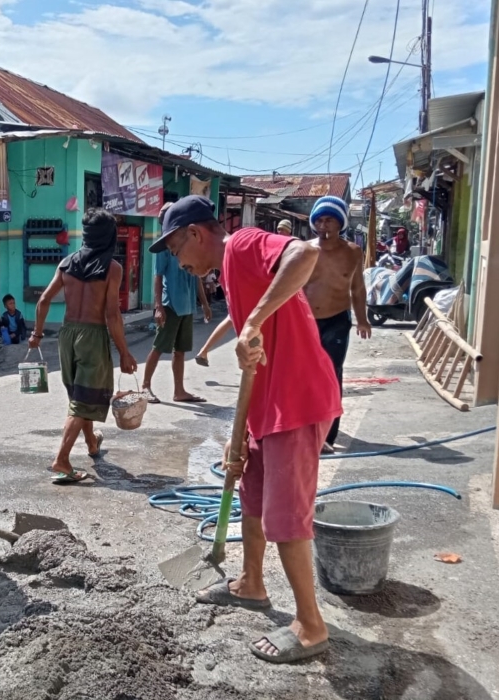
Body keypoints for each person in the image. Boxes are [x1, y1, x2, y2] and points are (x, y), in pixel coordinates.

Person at [151, 195, 341, 664]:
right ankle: (251, 583)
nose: (178, 262)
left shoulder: (240, 244)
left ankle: (311, 626)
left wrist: (254, 320)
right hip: (268, 405)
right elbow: (255, 351)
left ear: (195, 234)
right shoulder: (230, 273)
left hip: (296, 401)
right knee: (251, 494)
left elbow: (305, 253)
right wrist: (240, 435)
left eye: (176, 250)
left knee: (286, 518)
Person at [29, 208, 138, 484]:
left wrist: (37, 334)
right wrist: (124, 352)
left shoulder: (66, 263)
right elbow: (112, 314)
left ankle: (91, 443)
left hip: (67, 335)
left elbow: (43, 300)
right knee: (83, 399)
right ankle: (62, 459)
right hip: (92, 336)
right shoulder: (112, 268)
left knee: (80, 395)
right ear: (109, 236)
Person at [304, 196, 372, 453]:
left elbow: (358, 288)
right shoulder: (305, 250)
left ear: (340, 223)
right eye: (319, 220)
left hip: (337, 320)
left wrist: (362, 319)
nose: (323, 226)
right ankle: (304, 430)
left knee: (332, 375)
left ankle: (327, 436)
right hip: (306, 322)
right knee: (304, 377)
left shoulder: (352, 252)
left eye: (329, 220)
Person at [143, 202, 210, 404]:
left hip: (187, 305)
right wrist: (158, 307)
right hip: (170, 303)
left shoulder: (189, 242)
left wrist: (204, 303)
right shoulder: (164, 246)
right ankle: (145, 386)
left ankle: (179, 391)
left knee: (180, 351)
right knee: (159, 346)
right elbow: (158, 277)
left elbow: (197, 276)